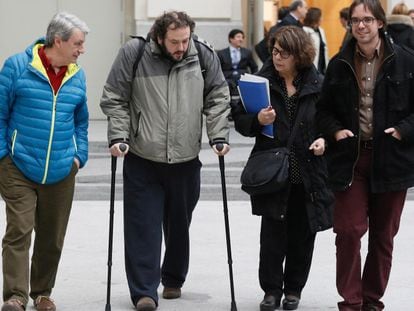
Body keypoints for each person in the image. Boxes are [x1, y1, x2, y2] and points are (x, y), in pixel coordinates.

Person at [100, 10, 230, 311]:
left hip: (185, 159)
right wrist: (118, 135)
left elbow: (218, 95)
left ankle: (173, 278)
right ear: (159, 36)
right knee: (142, 226)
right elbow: (114, 96)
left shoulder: (203, 55)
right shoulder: (134, 53)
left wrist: (218, 135)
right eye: (174, 41)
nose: (181, 47)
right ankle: (144, 291)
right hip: (143, 158)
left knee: (179, 225)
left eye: (185, 40)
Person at [316, 0, 414, 310]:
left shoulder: (407, 62)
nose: (361, 25)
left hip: (392, 159)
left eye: (368, 19)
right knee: (348, 230)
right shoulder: (338, 63)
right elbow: (323, 110)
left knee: (383, 236)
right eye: (356, 20)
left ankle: (372, 299)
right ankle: (351, 301)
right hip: (351, 160)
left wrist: (402, 130)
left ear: (380, 23)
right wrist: (335, 131)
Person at [232, 26, 333, 311]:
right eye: (275, 51)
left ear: (299, 55)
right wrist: (258, 120)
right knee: (272, 235)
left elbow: (331, 122)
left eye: (284, 53)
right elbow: (240, 120)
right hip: (274, 173)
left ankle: (294, 290)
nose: (277, 58)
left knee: (303, 235)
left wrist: (324, 140)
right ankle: (271, 291)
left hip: (307, 171)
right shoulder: (260, 82)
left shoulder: (318, 85)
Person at [0, 12, 89, 311]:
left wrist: (79, 157)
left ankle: (42, 292)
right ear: (58, 41)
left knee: (52, 237)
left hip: (62, 169)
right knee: (19, 230)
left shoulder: (77, 74)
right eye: (77, 43)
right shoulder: (16, 66)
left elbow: (82, 122)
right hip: (18, 166)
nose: (82, 49)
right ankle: (14, 295)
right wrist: (3, 157)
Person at [217, 29, 258, 102]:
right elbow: (217, 69)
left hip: (242, 79)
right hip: (227, 80)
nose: (241, 39)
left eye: (242, 37)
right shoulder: (221, 53)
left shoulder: (247, 52)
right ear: (231, 39)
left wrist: (253, 78)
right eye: (238, 37)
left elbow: (254, 67)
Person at [303, 7, 329, 74]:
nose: (322, 19)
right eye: (321, 17)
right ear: (315, 18)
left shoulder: (321, 30)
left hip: (322, 66)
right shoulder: (305, 30)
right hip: (311, 65)